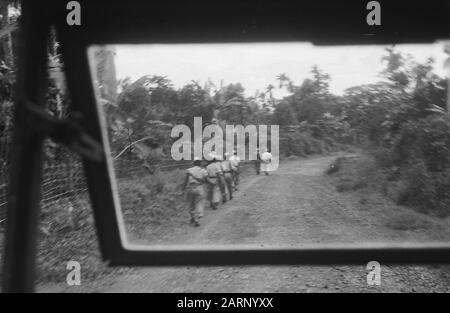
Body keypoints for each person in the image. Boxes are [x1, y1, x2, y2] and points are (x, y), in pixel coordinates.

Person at [182, 157, 208, 226]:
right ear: (200, 163)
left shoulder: (189, 170)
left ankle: (192, 217)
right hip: (199, 188)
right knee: (198, 204)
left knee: (191, 204)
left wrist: (183, 189)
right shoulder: (203, 170)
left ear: (193, 163)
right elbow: (206, 180)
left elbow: (185, 181)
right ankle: (197, 219)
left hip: (190, 188)